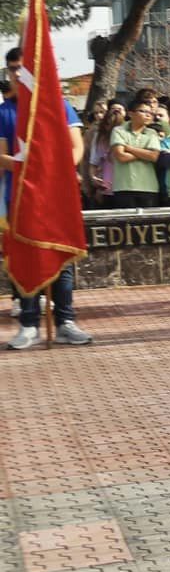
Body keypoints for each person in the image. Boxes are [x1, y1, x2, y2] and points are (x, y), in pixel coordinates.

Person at [1, 47, 95, 348]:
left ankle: (66, 321)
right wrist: (26, 165)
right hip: (20, 196)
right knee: (25, 256)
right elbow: (1, 155)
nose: (18, 73)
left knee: (62, 258)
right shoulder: (5, 111)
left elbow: (76, 148)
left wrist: (53, 170)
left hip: (55, 195)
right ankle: (29, 324)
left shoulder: (58, 106)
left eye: (23, 67)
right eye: (13, 68)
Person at [108, 100, 163, 208]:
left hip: (148, 187)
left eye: (150, 113)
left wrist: (129, 148)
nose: (148, 115)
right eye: (143, 111)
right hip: (124, 187)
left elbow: (154, 156)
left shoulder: (152, 133)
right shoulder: (119, 130)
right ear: (130, 113)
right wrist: (144, 152)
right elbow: (121, 156)